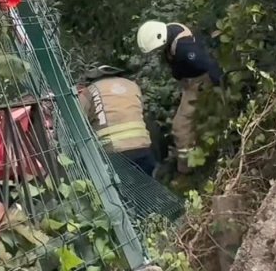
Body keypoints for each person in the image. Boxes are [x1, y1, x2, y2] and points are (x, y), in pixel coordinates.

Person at [136, 20, 223, 172]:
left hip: (200, 82)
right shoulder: (172, 34)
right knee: (193, 121)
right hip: (192, 82)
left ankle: (188, 168)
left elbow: (207, 66)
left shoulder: (185, 49)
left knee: (181, 127)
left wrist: (221, 89)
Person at [77, 65, 156, 175]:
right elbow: (140, 111)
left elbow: (78, 119)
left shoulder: (89, 91)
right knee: (147, 187)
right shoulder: (132, 85)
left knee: (119, 189)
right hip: (142, 146)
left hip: (113, 152)